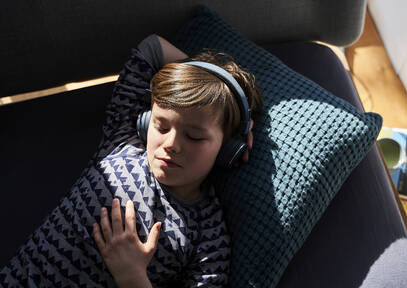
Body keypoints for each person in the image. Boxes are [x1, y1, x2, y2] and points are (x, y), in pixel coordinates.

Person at [0, 35, 262, 287]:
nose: (170, 144)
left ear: (228, 148)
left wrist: (132, 277)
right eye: (160, 126)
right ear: (148, 121)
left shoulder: (208, 236)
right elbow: (152, 48)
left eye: (194, 137)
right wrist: (216, 85)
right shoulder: (123, 139)